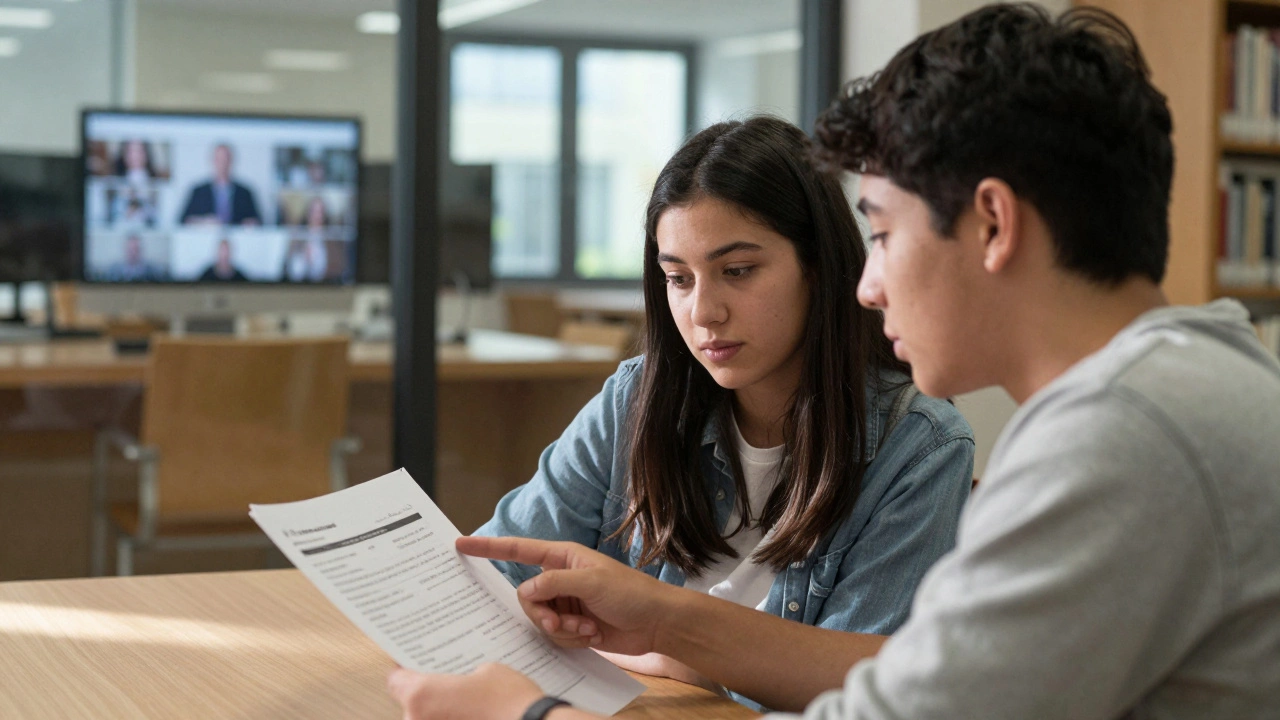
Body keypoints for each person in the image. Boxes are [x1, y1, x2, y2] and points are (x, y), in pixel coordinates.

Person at [386, 5, 1280, 720]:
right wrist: (655, 619)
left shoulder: (1121, 437)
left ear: (994, 225)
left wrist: (531, 714)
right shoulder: (1188, 382)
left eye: (883, 233)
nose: (870, 285)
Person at [471, 115, 975, 707]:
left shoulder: (919, 446)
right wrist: (661, 660)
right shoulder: (637, 398)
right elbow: (496, 580)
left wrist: (676, 651)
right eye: (678, 279)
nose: (704, 312)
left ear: (818, 267)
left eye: (737, 272)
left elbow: (873, 691)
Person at [180, 143, 262, 226]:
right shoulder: (199, 192)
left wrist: (249, 224)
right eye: (219, 159)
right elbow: (183, 221)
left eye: (226, 159)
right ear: (213, 161)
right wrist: (203, 222)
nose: (223, 164)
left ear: (231, 161)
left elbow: (258, 222)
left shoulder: (245, 193)